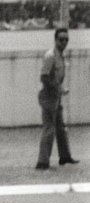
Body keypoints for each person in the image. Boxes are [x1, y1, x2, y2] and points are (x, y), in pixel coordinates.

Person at [35, 27, 79, 170]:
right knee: (49, 129)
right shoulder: (50, 56)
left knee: (60, 127)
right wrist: (57, 88)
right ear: (55, 40)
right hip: (48, 97)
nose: (64, 42)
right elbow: (44, 77)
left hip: (56, 97)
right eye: (61, 39)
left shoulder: (60, 56)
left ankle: (65, 156)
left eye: (66, 39)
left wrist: (59, 90)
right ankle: (42, 162)